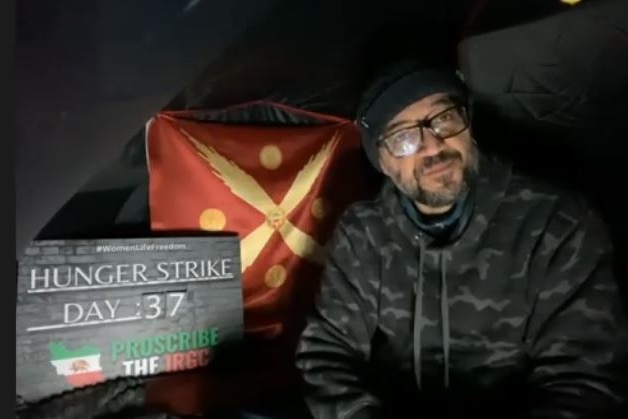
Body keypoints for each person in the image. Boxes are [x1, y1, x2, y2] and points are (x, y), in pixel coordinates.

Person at [294, 61, 628, 419]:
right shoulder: (363, 232)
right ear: (384, 164)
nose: (432, 145)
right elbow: (326, 352)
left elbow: (586, 381)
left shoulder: (558, 224)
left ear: (468, 127)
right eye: (403, 137)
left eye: (444, 119)